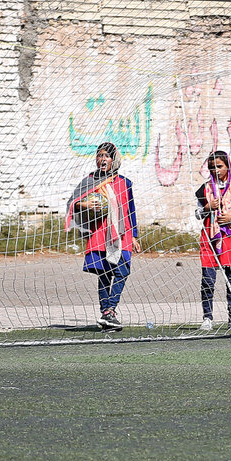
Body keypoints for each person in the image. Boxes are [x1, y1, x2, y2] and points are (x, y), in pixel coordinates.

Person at [65, 142, 140, 331]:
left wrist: (135, 236)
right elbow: (73, 202)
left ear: (114, 159)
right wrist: (87, 206)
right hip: (100, 233)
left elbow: (130, 210)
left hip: (122, 234)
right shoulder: (91, 180)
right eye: (99, 155)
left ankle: (109, 310)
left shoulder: (125, 182)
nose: (102, 159)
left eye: (106, 156)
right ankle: (108, 313)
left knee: (122, 272)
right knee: (105, 274)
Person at [195, 150, 231, 331]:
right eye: (212, 167)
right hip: (210, 239)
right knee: (208, 280)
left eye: (219, 166)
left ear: (228, 166)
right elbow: (197, 214)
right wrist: (207, 207)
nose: (216, 170)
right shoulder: (204, 189)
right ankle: (207, 317)